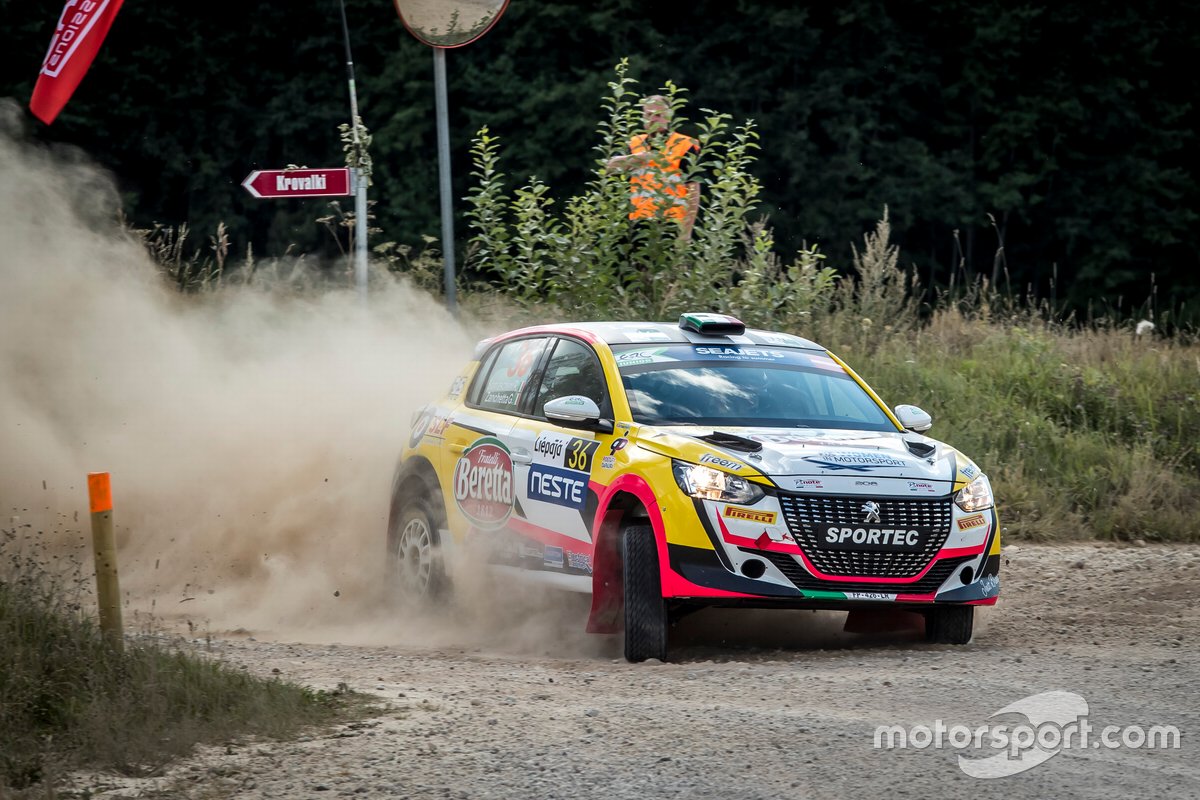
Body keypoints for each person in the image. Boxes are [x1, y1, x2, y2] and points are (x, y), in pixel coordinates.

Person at [605, 95, 701, 240]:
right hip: (638, 225)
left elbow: (693, 191)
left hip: (671, 224)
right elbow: (609, 168)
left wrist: (686, 232)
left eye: (658, 115)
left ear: (668, 117)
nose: (653, 119)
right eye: (649, 114)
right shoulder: (634, 143)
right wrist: (639, 158)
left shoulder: (686, 145)